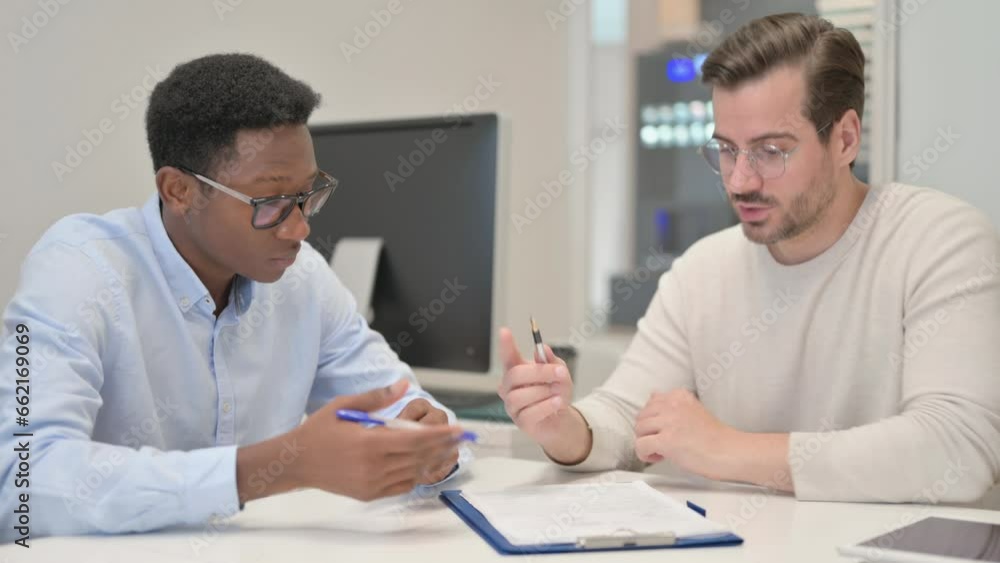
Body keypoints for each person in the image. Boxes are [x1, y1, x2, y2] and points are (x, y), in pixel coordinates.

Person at [499, 13, 1000, 503]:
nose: (739, 181)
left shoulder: (940, 242)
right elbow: (626, 417)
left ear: (845, 139)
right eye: (726, 149)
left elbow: (960, 448)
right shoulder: (703, 270)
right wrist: (565, 428)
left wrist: (726, 450)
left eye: (770, 151)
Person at [0, 53, 466, 540]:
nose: (300, 228)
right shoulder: (78, 270)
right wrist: (278, 467)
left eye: (309, 195)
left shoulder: (302, 278)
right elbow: (22, 487)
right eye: (270, 204)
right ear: (179, 190)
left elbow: (410, 409)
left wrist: (429, 447)